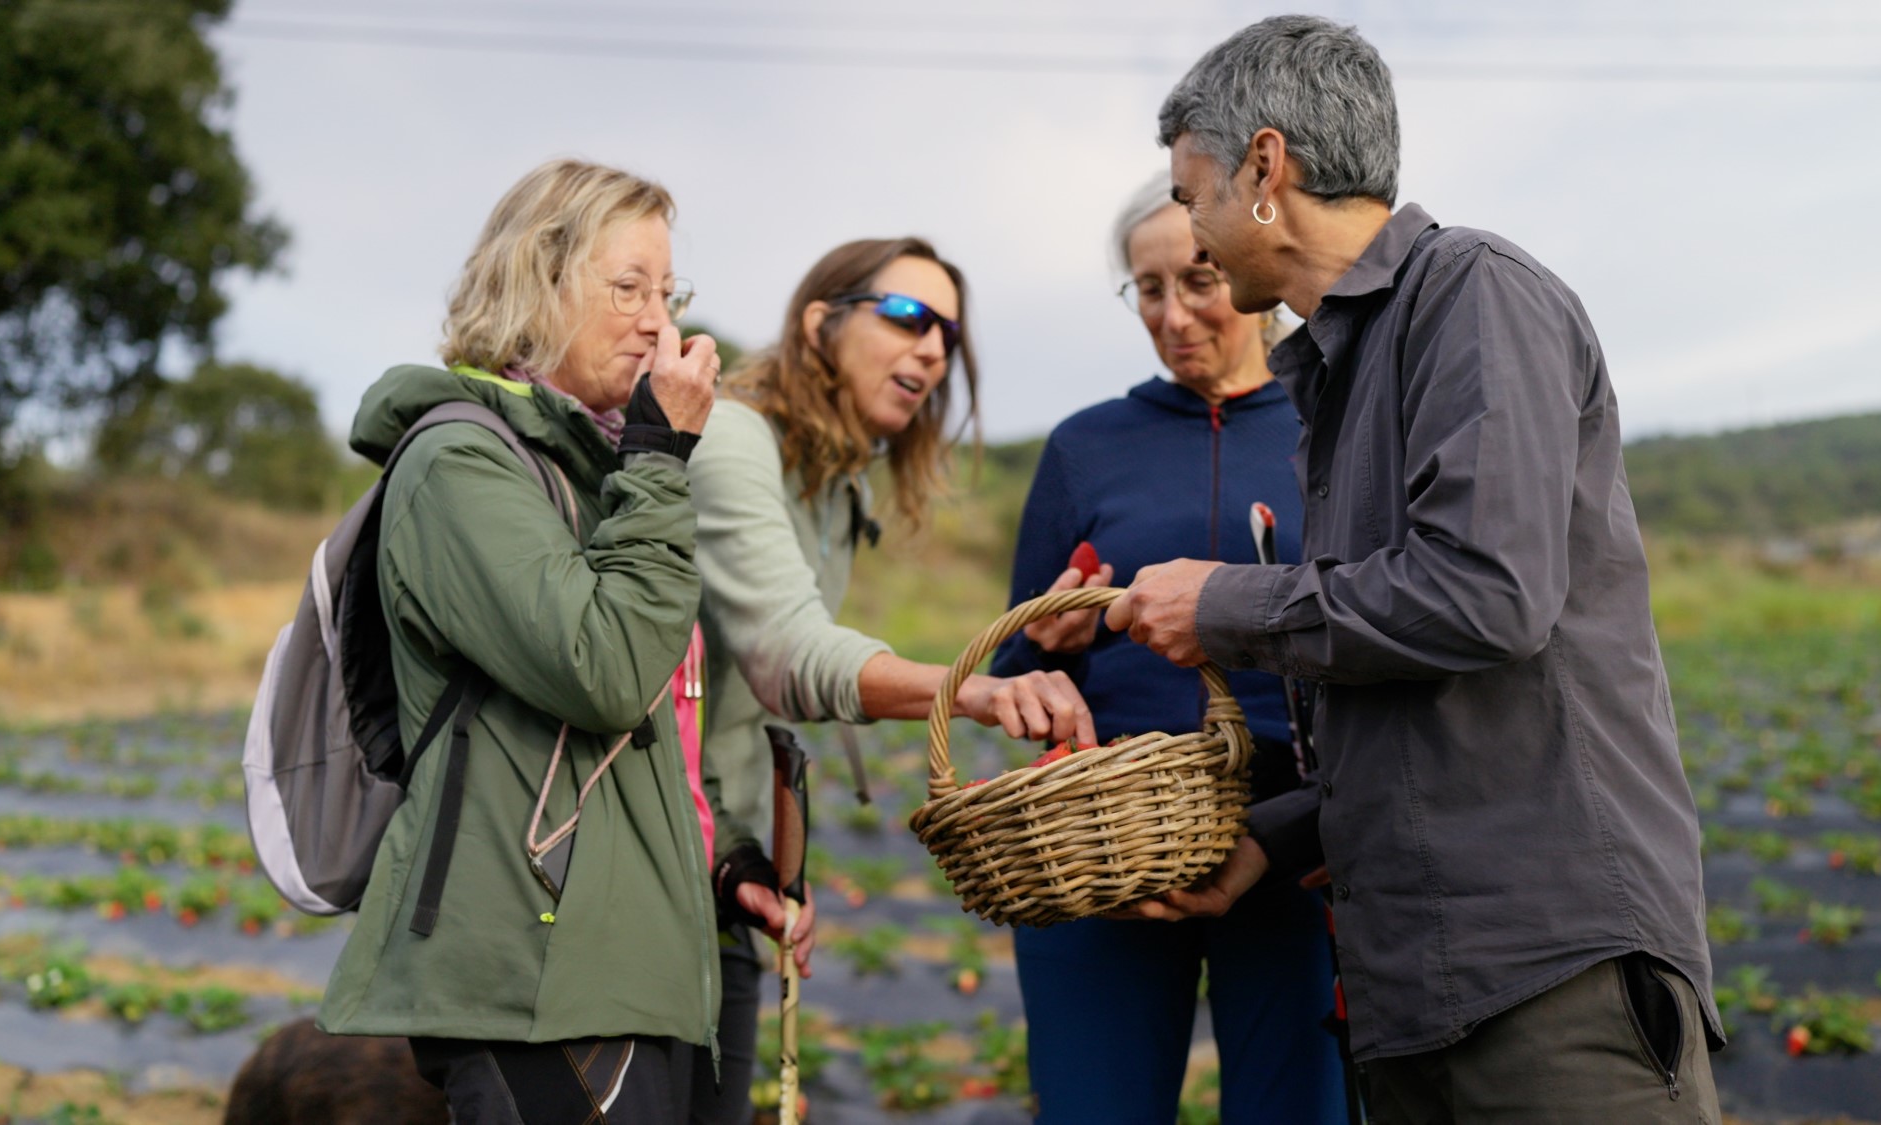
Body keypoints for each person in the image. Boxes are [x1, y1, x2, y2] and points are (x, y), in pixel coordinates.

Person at [1105, 16, 1724, 1123]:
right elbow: (1403, 690)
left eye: (1192, 193)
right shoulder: (1340, 374)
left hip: (1546, 975)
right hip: (1416, 985)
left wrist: (1222, 604)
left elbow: (1481, 598)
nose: (1191, 229)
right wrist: (1275, 836)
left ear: (1264, 166)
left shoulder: (1472, 295)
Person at [318, 158, 812, 1124]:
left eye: (668, 295)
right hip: (532, 979)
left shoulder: (600, 472)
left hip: (629, 969)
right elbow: (606, 671)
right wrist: (661, 457)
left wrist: (725, 861)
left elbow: (650, 734)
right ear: (536, 284)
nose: (657, 323)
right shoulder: (460, 462)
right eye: (626, 289)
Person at [684, 237, 1096, 1123]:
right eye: (908, 316)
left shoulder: (837, 487)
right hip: (651, 873)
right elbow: (789, 653)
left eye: (948, 333)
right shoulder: (730, 441)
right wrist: (971, 690)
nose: (934, 349)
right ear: (819, 322)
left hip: (724, 865)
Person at [989, 172, 1350, 1124]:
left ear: (1240, 262)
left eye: (1196, 278)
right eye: (1147, 289)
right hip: (1111, 841)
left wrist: (1297, 827)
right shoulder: (1085, 447)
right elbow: (1020, 673)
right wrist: (1048, 646)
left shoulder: (1334, 426)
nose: (1174, 313)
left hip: (1295, 845)